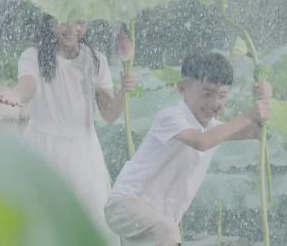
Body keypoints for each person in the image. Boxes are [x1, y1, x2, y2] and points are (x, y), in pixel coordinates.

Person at [104, 52, 271, 246]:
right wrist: (249, 116)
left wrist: (265, 100)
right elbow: (201, 142)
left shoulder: (213, 127)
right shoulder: (170, 117)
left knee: (165, 229)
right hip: (126, 205)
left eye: (222, 95)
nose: (214, 103)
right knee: (167, 230)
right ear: (182, 88)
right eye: (207, 93)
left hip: (158, 218)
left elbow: (258, 132)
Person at [0, 14, 136, 246]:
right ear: (50, 21)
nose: (71, 28)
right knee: (35, 218)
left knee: (86, 217)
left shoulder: (96, 61)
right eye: (64, 21)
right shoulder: (34, 55)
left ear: (87, 23)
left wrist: (123, 91)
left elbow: (109, 113)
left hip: (83, 152)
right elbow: (28, 84)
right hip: (42, 146)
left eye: (79, 22)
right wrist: (16, 95)